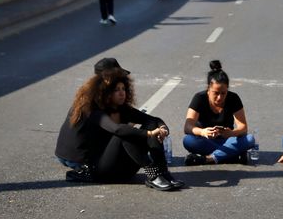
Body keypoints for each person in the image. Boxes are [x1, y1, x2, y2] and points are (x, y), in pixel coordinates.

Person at [55, 68, 183, 190]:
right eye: (116, 90)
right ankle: (153, 175)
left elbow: (152, 119)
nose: (122, 93)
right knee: (124, 133)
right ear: (106, 93)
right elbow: (117, 130)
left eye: (123, 89)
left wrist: (163, 128)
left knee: (151, 123)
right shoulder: (95, 111)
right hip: (103, 171)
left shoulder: (122, 109)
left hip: (123, 170)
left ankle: (162, 171)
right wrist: (148, 134)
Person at [182, 60, 255, 165]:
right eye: (216, 93)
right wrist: (203, 132)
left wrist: (231, 133)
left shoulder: (233, 98)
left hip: (227, 140)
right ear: (208, 89)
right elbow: (188, 127)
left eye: (223, 93)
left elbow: (243, 128)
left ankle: (209, 158)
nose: (220, 97)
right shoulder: (199, 98)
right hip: (206, 141)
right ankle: (231, 156)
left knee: (249, 139)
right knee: (188, 141)